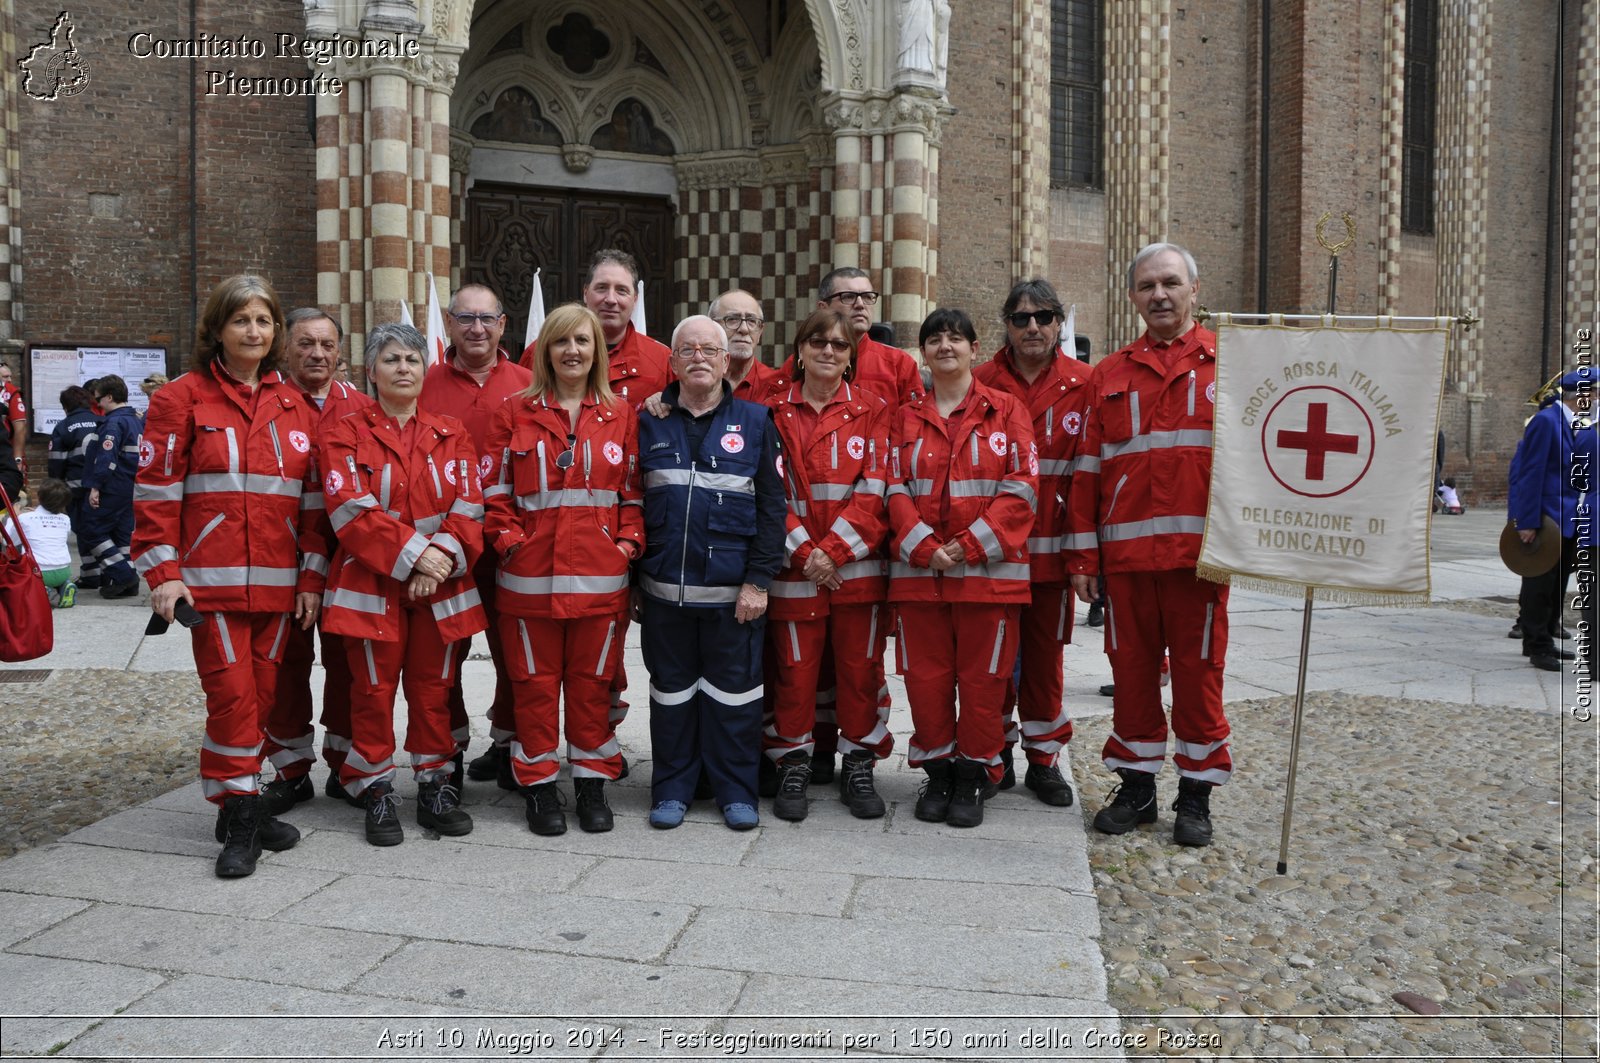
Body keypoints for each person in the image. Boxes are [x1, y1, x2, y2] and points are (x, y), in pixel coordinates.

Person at [133, 274, 327, 878]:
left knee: (265, 701)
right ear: (217, 328)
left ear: (276, 334)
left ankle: (234, 799)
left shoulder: (296, 405)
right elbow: (155, 496)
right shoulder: (180, 399)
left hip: (277, 586)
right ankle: (242, 818)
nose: (253, 331)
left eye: (263, 321)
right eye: (241, 320)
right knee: (232, 700)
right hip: (209, 587)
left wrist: (311, 580)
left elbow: (314, 507)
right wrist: (163, 574)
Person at [1066, 242, 1229, 847]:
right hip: (1128, 564)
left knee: (1199, 675)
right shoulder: (1110, 375)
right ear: (1133, 297)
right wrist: (1085, 557)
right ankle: (1136, 786)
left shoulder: (1229, 365)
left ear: (1193, 290)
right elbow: (1089, 470)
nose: (1159, 295)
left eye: (1170, 283)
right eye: (1146, 286)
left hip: (1201, 562)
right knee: (1131, 674)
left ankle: (1196, 794)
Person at [319, 323, 487, 845]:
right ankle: (374, 787)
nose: (403, 369)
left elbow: (470, 504)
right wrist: (416, 559)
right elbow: (351, 509)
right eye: (391, 360)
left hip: (439, 589)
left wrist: (437, 560)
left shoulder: (450, 431)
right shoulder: (343, 432)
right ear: (371, 371)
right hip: (370, 588)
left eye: (413, 360)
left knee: (433, 691)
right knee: (370, 692)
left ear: (425, 370)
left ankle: (435, 782)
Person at [484, 303, 643, 836]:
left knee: (594, 686)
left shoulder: (622, 414)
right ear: (544, 352)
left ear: (597, 349)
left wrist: (625, 544)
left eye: (582, 341)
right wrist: (509, 543)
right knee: (531, 685)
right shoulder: (515, 410)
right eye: (561, 342)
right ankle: (538, 787)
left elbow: (633, 493)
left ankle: (592, 781)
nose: (572, 351)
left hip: (601, 582)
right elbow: (493, 491)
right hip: (528, 583)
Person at [887, 308, 1037, 828]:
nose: (945, 346)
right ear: (923, 353)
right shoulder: (905, 417)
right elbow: (892, 489)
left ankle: (974, 775)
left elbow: (1021, 489)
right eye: (934, 339)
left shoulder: (1007, 410)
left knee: (983, 682)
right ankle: (938, 771)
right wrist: (927, 548)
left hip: (989, 580)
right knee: (925, 681)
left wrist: (967, 547)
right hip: (919, 577)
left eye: (956, 338)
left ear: (976, 348)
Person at [637, 315, 785, 830]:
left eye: (709, 350)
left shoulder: (757, 422)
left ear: (727, 362)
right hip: (664, 597)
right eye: (687, 350)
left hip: (733, 599)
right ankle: (672, 788)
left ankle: (735, 792)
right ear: (672, 362)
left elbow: (772, 509)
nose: (698, 357)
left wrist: (758, 581)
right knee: (671, 696)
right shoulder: (648, 420)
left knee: (736, 699)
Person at [763, 309, 893, 822]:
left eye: (840, 346)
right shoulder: (771, 413)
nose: (828, 352)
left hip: (855, 571)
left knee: (860, 670)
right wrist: (804, 553)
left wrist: (832, 552)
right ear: (800, 350)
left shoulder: (874, 409)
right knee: (794, 673)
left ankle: (859, 760)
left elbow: (877, 487)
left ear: (851, 357)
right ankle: (792, 760)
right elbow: (768, 491)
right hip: (794, 572)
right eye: (818, 342)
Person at [972, 279, 1089, 806]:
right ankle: (993, 755)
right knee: (991, 662)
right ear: (1007, 326)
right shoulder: (980, 382)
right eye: (1021, 319)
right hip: (993, 558)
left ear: (1060, 323)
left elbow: (1089, 476)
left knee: (1045, 665)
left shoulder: (1086, 384)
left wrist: (1085, 555)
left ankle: (1045, 759)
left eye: (1043, 317)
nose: (1033, 327)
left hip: (1049, 555)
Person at [259, 308, 374, 814]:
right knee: (286, 665)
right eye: (306, 344)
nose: (317, 354)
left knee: (349, 666)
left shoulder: (363, 407)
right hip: (281, 559)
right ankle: (290, 768)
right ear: (285, 348)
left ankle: (348, 765)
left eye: (327, 345)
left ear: (341, 351)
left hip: (353, 558)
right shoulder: (265, 404)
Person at [420, 284, 532, 790]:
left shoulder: (530, 383)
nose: (476, 328)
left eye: (487, 319)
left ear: (504, 324)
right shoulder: (424, 383)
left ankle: (510, 744)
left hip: (512, 547)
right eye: (466, 318)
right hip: (448, 549)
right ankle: (449, 751)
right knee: (444, 658)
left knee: (515, 655)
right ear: (449, 322)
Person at [1509, 368, 1594, 672]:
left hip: (1568, 518)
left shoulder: (1572, 424)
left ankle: (1545, 635)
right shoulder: (1546, 422)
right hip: (1547, 518)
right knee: (1540, 582)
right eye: (1595, 394)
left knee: (1557, 582)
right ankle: (1536, 644)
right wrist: (1527, 521)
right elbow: (1530, 474)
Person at [81, 375, 143, 598]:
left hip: (113, 486)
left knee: (91, 529)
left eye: (99, 399)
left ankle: (124, 576)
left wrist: (96, 485)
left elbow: (107, 456)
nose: (97, 404)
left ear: (109, 397)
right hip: (131, 486)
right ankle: (126, 580)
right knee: (122, 535)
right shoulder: (137, 419)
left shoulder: (114, 422)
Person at [46, 385, 103, 588]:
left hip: (77, 488)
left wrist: (56, 486)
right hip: (104, 487)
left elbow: (57, 461)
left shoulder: (64, 426)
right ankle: (94, 573)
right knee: (99, 528)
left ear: (66, 406)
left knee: (84, 529)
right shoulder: (102, 421)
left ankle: (101, 571)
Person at [4, 477, 76, 607]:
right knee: (56, 570)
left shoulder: (25, 518)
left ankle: (43, 591)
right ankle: (64, 585)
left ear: (39, 496)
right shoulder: (65, 519)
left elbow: (7, 540)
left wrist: (14, 516)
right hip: (63, 570)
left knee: (23, 581)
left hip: (39, 572)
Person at [709, 289, 782, 401]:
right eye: (732, 319)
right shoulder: (693, 380)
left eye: (751, 321)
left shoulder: (776, 387)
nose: (744, 329)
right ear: (711, 326)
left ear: (760, 331)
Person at [0, 363, 25, 480]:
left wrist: (17, 458)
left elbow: (20, 428)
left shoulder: (10, 392)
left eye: (10, 376)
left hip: (5, 453)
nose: (9, 380)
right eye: (5, 377)